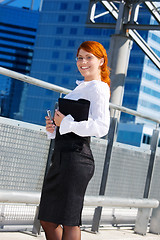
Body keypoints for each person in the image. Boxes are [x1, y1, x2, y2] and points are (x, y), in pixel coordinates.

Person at [38, 41, 111, 240]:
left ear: (101, 61)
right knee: (47, 218)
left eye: (89, 57)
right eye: (80, 57)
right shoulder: (80, 89)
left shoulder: (98, 88)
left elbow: (102, 127)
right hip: (62, 156)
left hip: (77, 158)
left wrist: (67, 122)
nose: (83, 62)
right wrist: (53, 128)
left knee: (69, 220)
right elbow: (70, 126)